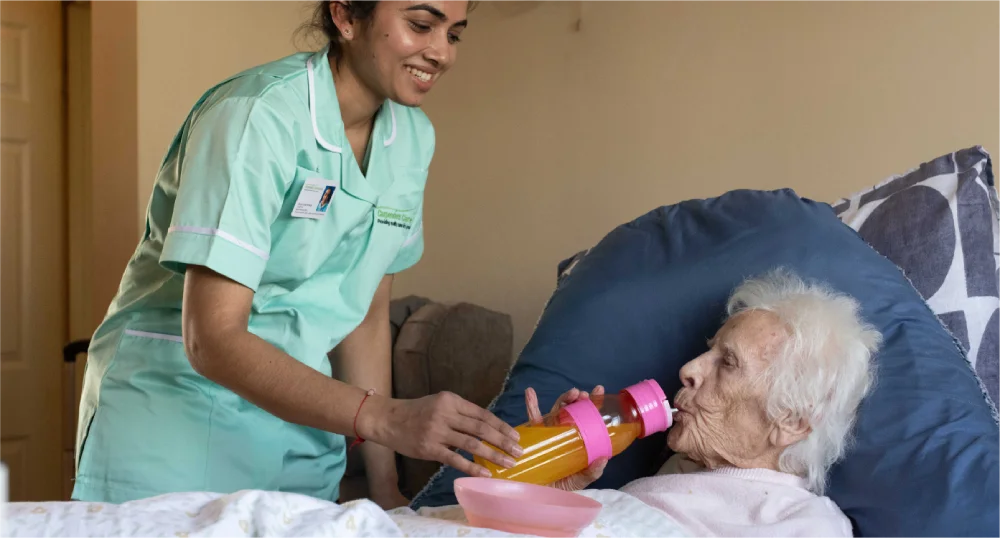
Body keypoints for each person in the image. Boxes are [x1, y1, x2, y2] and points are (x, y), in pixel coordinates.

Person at [72, 0, 522, 509]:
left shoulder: (412, 140)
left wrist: (382, 483)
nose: (442, 52)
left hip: (302, 434)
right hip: (176, 426)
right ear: (347, 18)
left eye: (455, 35)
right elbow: (212, 339)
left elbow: (366, 317)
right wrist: (386, 417)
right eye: (421, 25)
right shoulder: (254, 115)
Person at [528, 270, 881, 537]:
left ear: (792, 420)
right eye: (708, 350)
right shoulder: (681, 473)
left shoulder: (806, 524)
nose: (688, 370)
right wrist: (549, 482)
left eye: (727, 362)